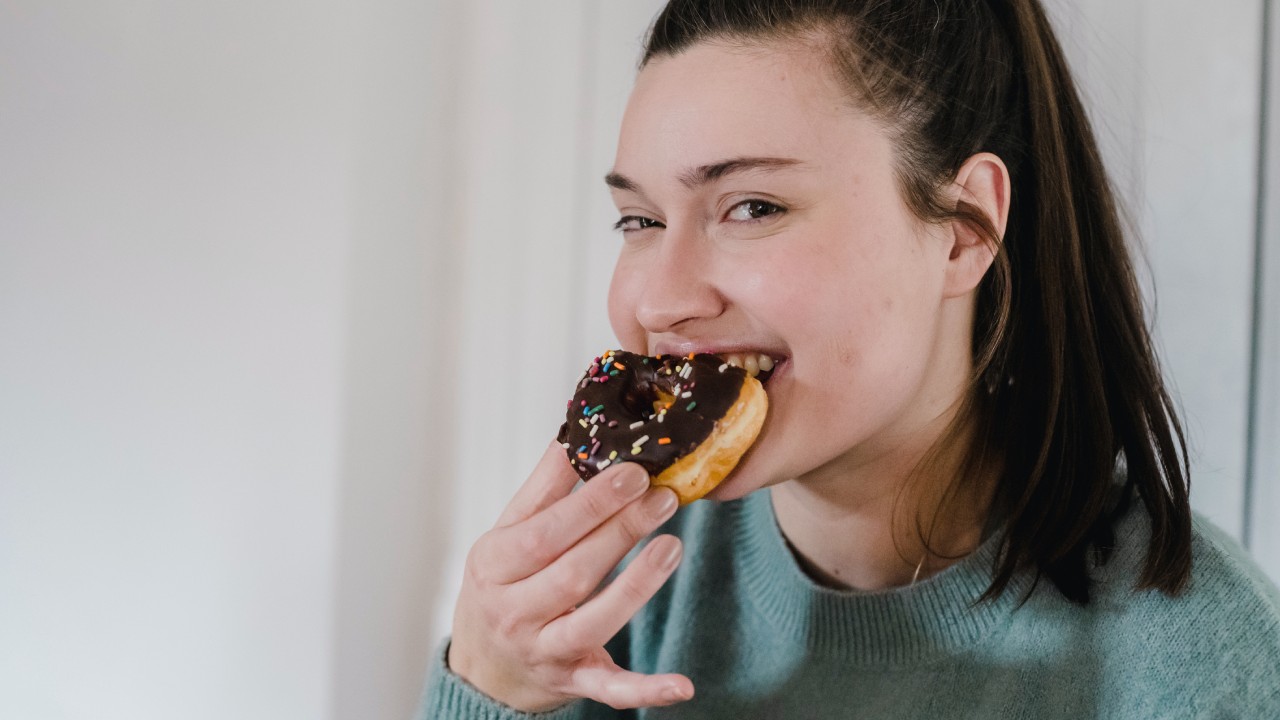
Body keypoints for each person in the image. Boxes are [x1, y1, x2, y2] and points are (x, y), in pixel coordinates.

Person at [423, 0, 1280, 717]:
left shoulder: (1197, 655)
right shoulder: (598, 598)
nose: (658, 301)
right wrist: (489, 688)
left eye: (751, 206)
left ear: (961, 228)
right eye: (640, 221)